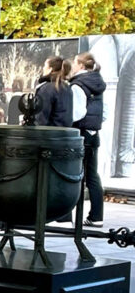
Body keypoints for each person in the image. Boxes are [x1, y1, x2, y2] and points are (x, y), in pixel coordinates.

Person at [70, 52, 107, 227]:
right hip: (94, 134)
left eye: (75, 63)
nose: (73, 65)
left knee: (72, 174)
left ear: (81, 66)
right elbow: (103, 112)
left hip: (80, 133)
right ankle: (96, 216)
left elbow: (78, 113)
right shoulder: (97, 83)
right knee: (92, 176)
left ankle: (65, 217)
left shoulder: (78, 85)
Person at [34, 56, 73, 127]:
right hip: (65, 134)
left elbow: (41, 118)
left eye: (45, 66)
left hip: (49, 134)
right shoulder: (67, 88)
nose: (43, 68)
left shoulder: (46, 89)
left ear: (50, 69)